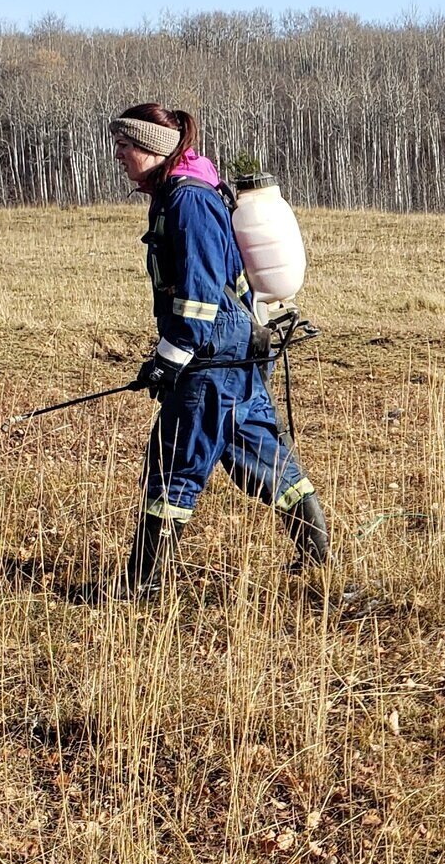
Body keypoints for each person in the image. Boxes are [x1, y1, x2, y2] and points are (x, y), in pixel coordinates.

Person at [107, 103, 329, 596]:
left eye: (125, 144)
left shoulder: (188, 201)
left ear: (154, 148)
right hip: (232, 348)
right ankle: (317, 552)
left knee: (175, 459)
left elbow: (199, 296)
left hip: (215, 355)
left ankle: (142, 582)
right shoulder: (178, 193)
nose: (117, 153)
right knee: (255, 446)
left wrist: (169, 357)